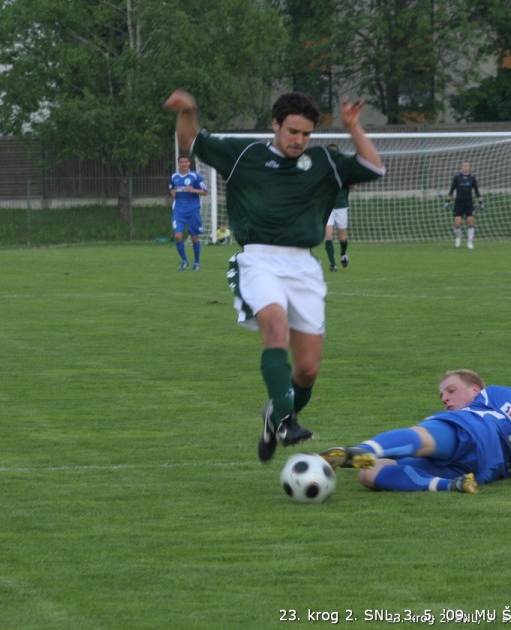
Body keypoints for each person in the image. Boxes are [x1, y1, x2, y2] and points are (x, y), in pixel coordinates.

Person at [164, 89, 385, 462]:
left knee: (308, 370)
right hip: (258, 259)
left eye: (306, 134)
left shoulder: (323, 161)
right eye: (292, 131)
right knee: (275, 327)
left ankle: (274, 412)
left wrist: (353, 128)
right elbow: (191, 140)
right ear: (275, 125)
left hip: (304, 266)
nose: (299, 140)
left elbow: (375, 169)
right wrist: (187, 110)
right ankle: (286, 421)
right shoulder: (244, 155)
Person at [320, 369, 511, 493]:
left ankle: (359, 451)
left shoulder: (492, 396)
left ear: (476, 389)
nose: (445, 398)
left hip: (478, 432)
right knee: (369, 474)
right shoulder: (471, 415)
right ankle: (451, 485)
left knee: (423, 437)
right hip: (479, 471)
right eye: (442, 395)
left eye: (452, 390)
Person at [169, 155, 208, 270]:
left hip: (192, 210)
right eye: (181, 162)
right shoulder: (174, 177)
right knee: (177, 236)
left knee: (194, 237)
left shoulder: (195, 176)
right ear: (178, 164)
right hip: (178, 211)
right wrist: (173, 193)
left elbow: (205, 191)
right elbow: (172, 189)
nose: (184, 164)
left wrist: (193, 190)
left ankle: (196, 262)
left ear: (189, 163)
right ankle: (184, 261)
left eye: (186, 161)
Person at [324, 144, 354, 272]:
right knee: (328, 234)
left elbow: (354, 185)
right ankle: (333, 264)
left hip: (341, 206)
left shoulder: (344, 168)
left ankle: (343, 253)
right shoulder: (323, 169)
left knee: (342, 236)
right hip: (327, 206)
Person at [447, 161, 483, 249]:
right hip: (458, 203)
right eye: (464, 166)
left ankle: (470, 242)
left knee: (470, 222)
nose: (466, 167)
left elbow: (477, 192)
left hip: (469, 203)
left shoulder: (472, 178)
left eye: (467, 166)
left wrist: (481, 203)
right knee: (457, 223)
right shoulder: (457, 177)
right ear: (461, 167)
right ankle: (458, 238)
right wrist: (447, 202)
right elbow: (451, 190)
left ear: (469, 167)